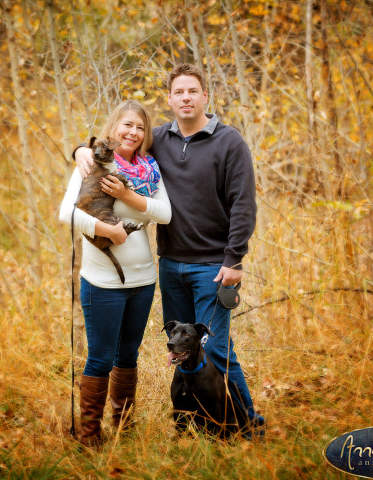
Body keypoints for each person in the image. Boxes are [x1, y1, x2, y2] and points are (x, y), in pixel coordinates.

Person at [75, 64, 264, 435]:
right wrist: (80, 149)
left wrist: (234, 258)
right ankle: (193, 421)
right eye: (179, 92)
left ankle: (247, 421)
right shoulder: (158, 138)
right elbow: (119, 143)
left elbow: (244, 203)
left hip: (212, 266)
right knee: (180, 349)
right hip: (171, 264)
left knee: (219, 351)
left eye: (193, 91)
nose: (186, 98)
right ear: (170, 99)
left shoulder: (230, 142)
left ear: (205, 96)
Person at [59, 100, 172, 447]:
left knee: (128, 356)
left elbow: (164, 214)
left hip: (143, 280)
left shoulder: (149, 170)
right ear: (113, 127)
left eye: (140, 127)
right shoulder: (92, 163)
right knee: (101, 356)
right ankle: (90, 435)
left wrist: (127, 194)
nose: (133, 133)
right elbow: (67, 214)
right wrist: (110, 232)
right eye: (127, 125)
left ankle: (124, 425)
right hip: (102, 282)